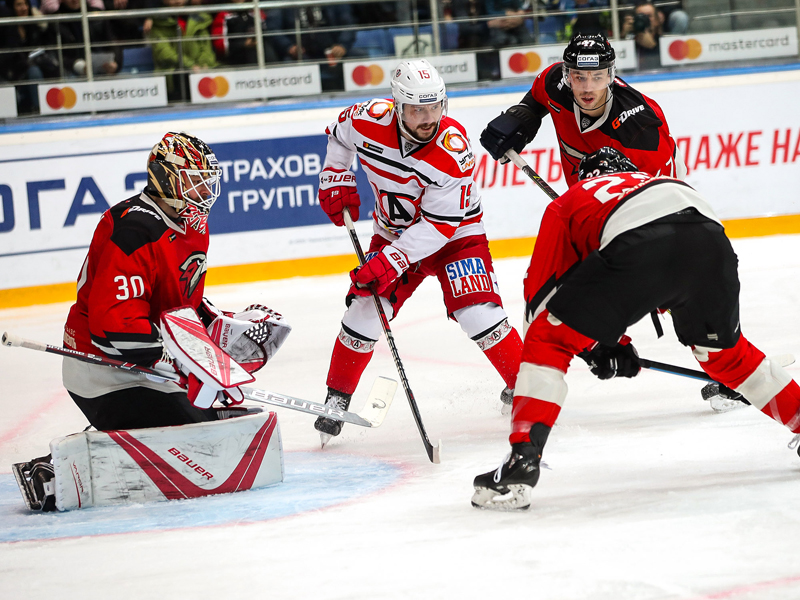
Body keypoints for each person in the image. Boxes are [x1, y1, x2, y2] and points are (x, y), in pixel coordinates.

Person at [471, 147, 800, 511]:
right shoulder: (659, 181)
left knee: (548, 338)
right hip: (711, 242)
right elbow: (667, 276)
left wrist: (598, 344)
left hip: (641, 245)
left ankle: (522, 460)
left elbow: (543, 297)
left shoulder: (572, 199)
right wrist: (609, 341)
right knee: (728, 356)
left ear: (585, 177)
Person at [13, 132, 289, 511]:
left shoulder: (191, 224)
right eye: (195, 181)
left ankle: (118, 438)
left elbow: (175, 300)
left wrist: (219, 327)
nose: (205, 192)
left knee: (217, 422)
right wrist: (180, 363)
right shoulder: (133, 230)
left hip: (147, 366)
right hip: (103, 370)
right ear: (165, 178)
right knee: (196, 440)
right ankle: (56, 471)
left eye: (207, 182)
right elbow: (113, 328)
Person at [314, 59, 524, 446]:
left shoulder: (452, 150)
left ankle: (527, 390)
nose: (428, 118)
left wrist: (389, 261)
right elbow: (339, 135)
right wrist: (336, 175)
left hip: (456, 237)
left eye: (435, 107)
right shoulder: (366, 118)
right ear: (397, 106)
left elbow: (439, 227)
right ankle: (335, 400)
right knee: (365, 308)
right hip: (393, 233)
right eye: (417, 110)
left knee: (477, 313)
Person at [480, 31, 686, 187]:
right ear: (567, 76)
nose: (587, 88)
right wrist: (522, 116)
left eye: (597, 77)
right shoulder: (554, 83)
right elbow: (536, 98)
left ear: (609, 76)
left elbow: (666, 196)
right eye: (579, 76)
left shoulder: (641, 129)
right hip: (583, 199)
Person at [149, 0, 217, 100]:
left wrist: (204, 63)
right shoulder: (158, 22)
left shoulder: (200, 19)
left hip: (200, 68)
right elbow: (164, 53)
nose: (177, 1)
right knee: (182, 75)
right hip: (172, 71)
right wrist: (191, 65)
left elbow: (205, 47)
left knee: (221, 72)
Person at [0, 0, 57, 113]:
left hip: (28, 69)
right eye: (19, 5)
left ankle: (39, 110)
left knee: (36, 71)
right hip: (8, 72)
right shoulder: (5, 28)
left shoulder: (33, 25)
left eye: (26, 4)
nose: (24, 8)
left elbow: (42, 47)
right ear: (12, 8)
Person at [621, 0, 663, 71]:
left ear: (656, 20)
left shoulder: (664, 41)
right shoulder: (630, 40)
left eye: (649, 16)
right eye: (640, 16)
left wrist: (653, 47)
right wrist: (623, 37)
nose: (645, 19)